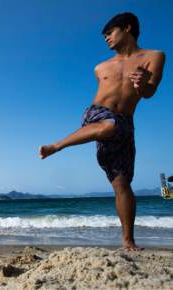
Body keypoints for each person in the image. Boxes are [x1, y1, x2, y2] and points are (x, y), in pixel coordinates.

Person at [39, 12, 166, 251]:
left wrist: (142, 84)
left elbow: (149, 92)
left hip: (125, 122)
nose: (106, 38)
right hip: (98, 115)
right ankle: (57, 145)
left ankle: (128, 240)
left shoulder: (155, 56)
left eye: (110, 32)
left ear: (127, 28)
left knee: (122, 183)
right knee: (109, 125)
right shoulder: (101, 68)